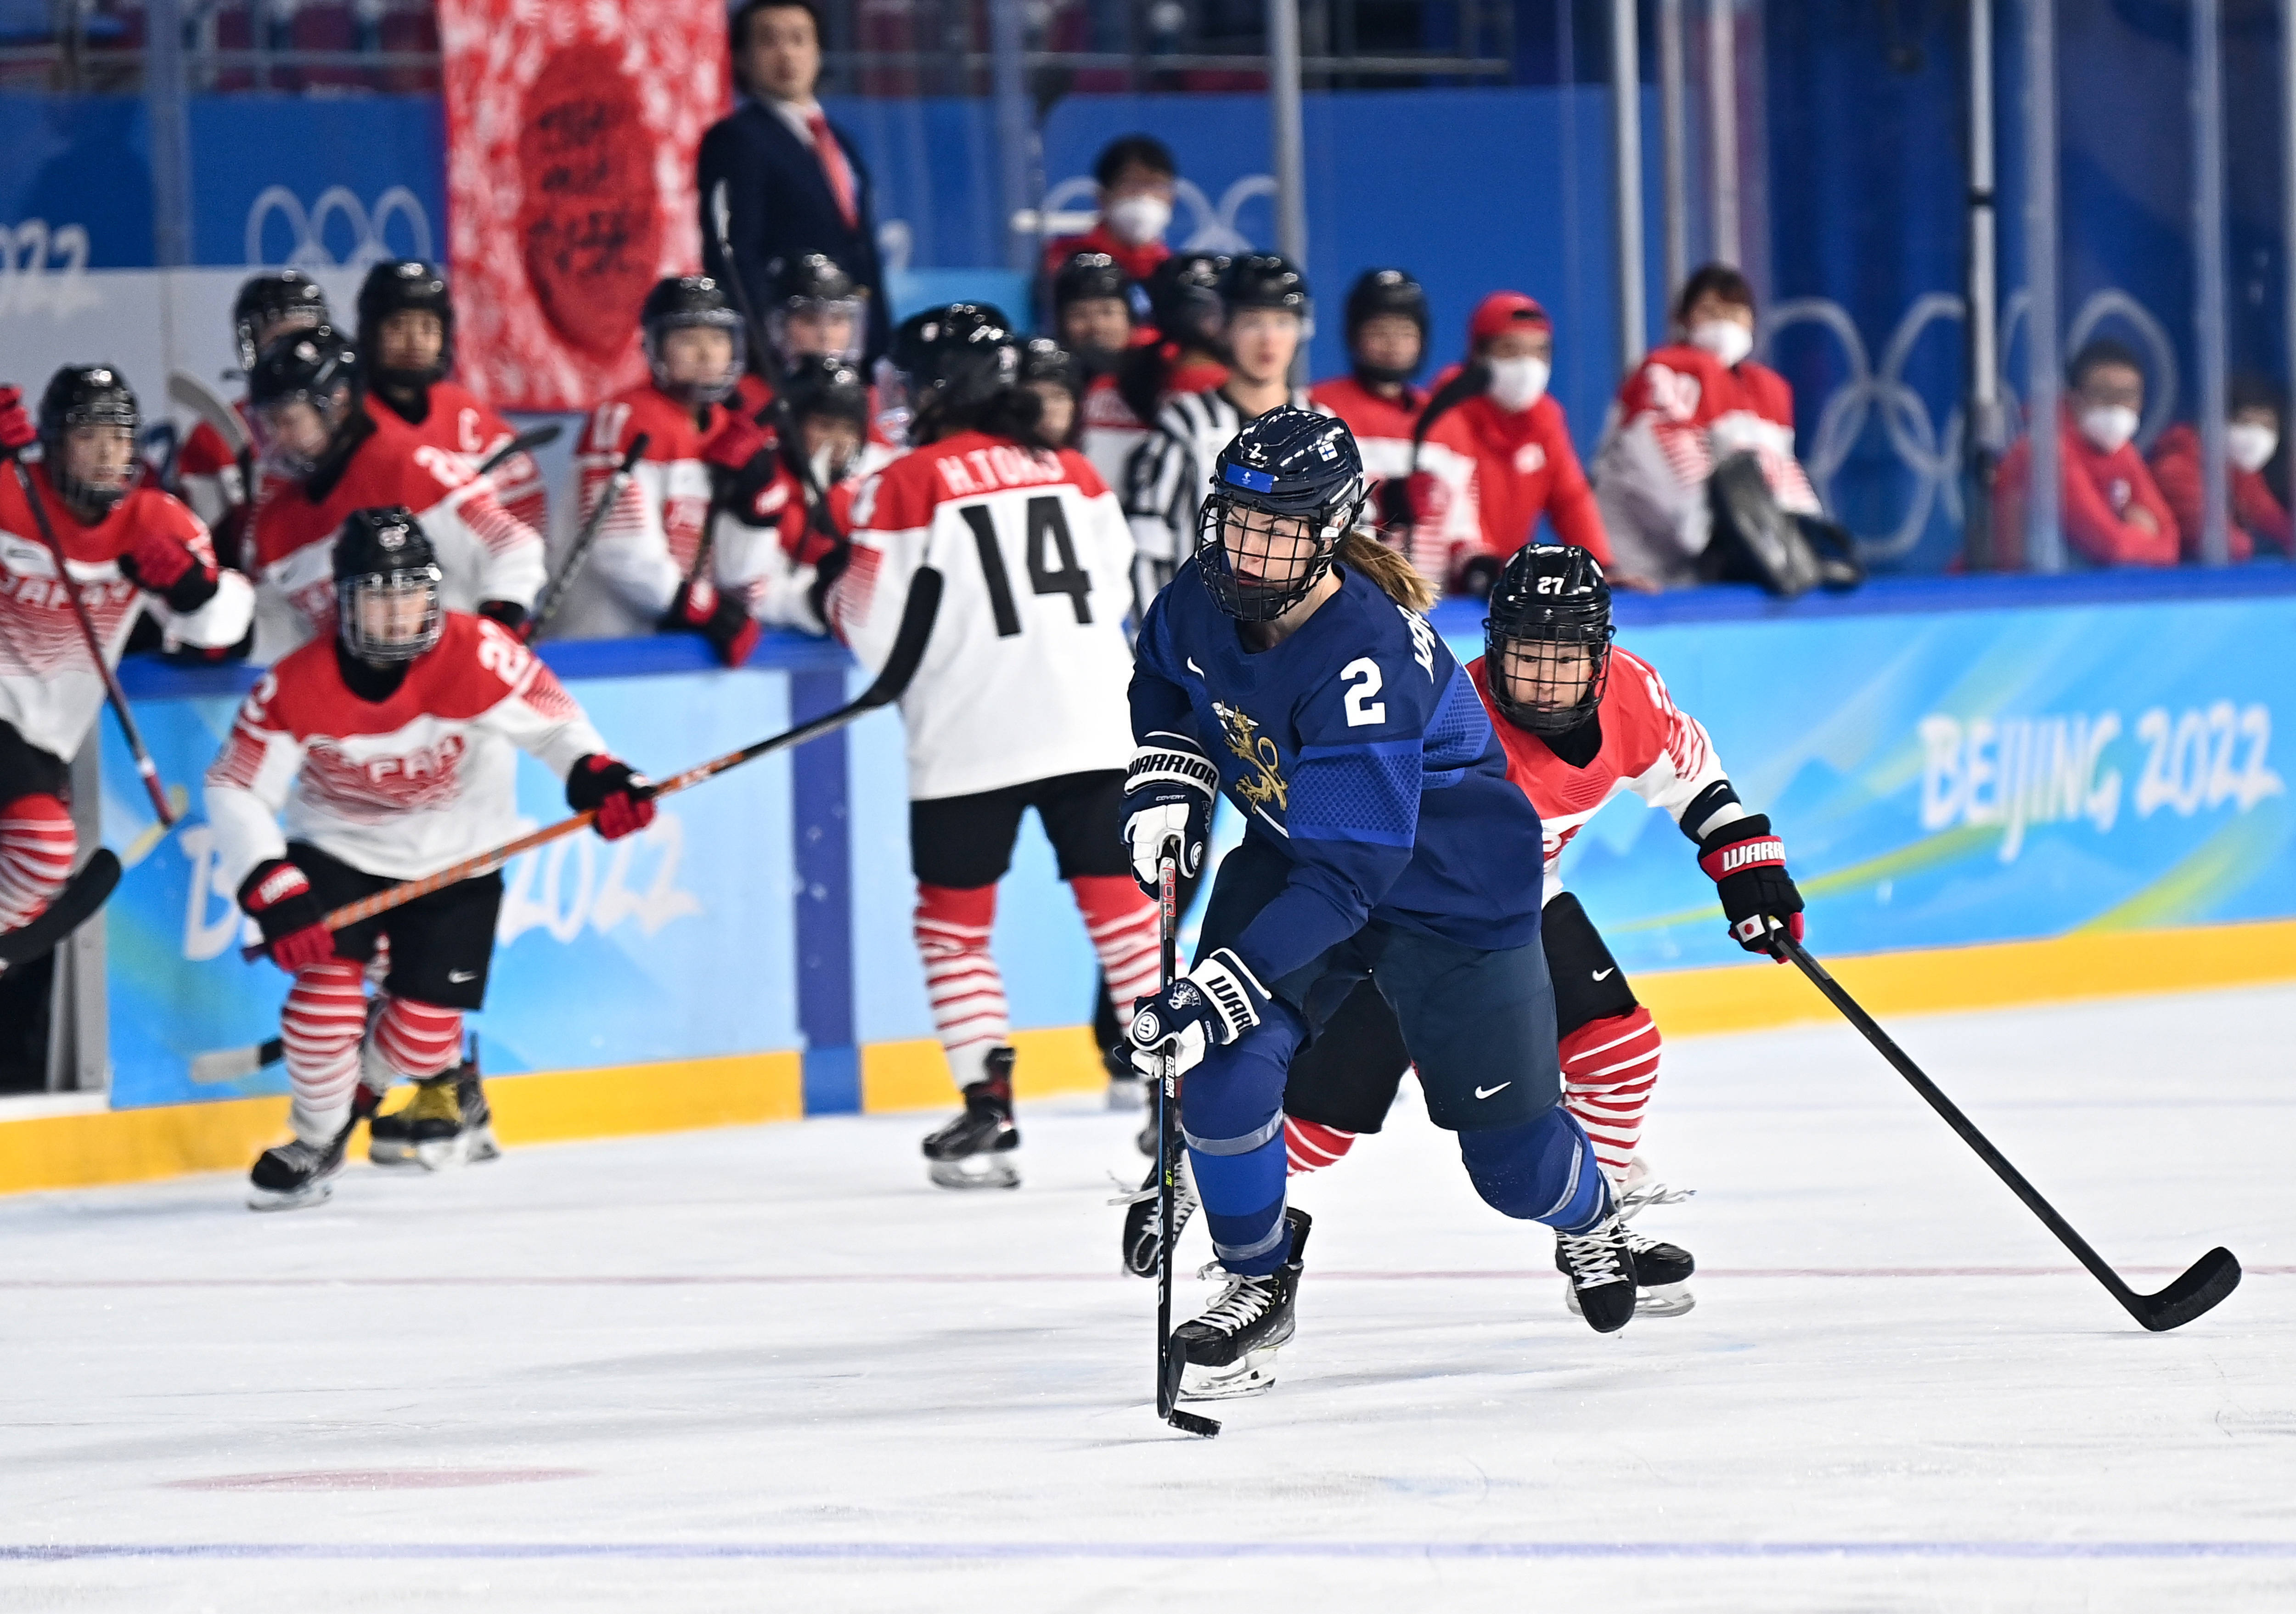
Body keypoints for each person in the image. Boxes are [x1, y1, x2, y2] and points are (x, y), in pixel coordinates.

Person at [1132, 543, 1807, 1321]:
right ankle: (1200, 1166)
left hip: (1505, 906)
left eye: (1566, 658)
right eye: (1526, 657)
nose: (1545, 679)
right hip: (1389, 907)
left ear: (1602, 655)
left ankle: (1598, 1221)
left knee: (1619, 1049)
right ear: (1493, 648)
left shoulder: (1634, 692)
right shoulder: (1444, 707)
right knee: (1317, 1128)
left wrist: (1743, 856)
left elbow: (1691, 772)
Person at [1118, 408, 1642, 1400]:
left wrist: (1223, 979)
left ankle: (1592, 1214)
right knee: (1222, 1071)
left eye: (1278, 531)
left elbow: (1349, 880)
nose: (1248, 549)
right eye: (1238, 521)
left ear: (1329, 534)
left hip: (1446, 894)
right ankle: (1258, 1276)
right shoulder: (1196, 594)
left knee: (1514, 1168)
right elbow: (1165, 679)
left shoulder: (1364, 661)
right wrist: (1170, 763)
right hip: (1300, 856)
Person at [205, 507, 656, 1209]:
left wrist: (598, 774)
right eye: (378, 596)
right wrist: (271, 882)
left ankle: (367, 1089)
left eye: (413, 593)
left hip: (458, 863)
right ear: (343, 601)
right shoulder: (296, 685)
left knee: (421, 1041)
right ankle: (316, 1138)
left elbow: (556, 727)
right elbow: (236, 786)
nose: (398, 613)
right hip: (340, 852)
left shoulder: (478, 653)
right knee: (324, 998)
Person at [826, 305, 1157, 1189]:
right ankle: (1176, 1102)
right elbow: (1115, 587)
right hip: (1093, 722)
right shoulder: (1073, 468)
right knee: (1127, 919)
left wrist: (829, 580)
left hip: (968, 733)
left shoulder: (904, 482)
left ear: (936, 387)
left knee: (953, 927)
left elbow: (870, 627)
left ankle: (988, 1109)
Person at [0, 369, 252, 948]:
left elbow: (226, 636)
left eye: (118, 438)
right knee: (43, 842)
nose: (106, 454)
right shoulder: (9, 493)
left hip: (45, 743)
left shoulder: (158, 522)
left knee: (38, 862)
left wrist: (194, 592)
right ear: (54, 442)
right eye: (88, 436)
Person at [243, 324, 546, 662]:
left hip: (449, 679)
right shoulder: (275, 524)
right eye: (268, 424)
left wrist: (493, 635)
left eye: (287, 421)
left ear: (339, 403)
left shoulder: (410, 467)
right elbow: (286, 635)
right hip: (361, 690)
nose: (277, 438)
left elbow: (513, 546)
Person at [564, 275, 805, 658]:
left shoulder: (734, 431)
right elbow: (618, 551)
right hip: (607, 645)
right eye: (688, 340)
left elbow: (739, 575)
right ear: (655, 347)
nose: (707, 354)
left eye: (718, 339)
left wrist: (752, 514)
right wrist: (699, 606)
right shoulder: (624, 420)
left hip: (691, 649)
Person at [1593, 264, 1827, 589]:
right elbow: (1673, 492)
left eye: (1735, 313)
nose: (1724, 324)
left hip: (1704, 576)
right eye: (1710, 312)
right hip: (1639, 569)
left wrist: (1807, 537)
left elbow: (1777, 475)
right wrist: (1727, 542)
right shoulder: (1662, 373)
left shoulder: (1765, 389)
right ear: (1683, 319)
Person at [699, 0, 891, 364]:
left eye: (799, 39)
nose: (786, 54)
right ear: (741, 58)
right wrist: (763, 347)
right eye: (769, 41)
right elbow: (735, 255)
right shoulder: (737, 139)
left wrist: (879, 342)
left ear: (819, 52)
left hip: (851, 339)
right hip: (789, 347)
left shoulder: (838, 140)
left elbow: (861, 249)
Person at [1382, 288, 1609, 596]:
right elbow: (1457, 513)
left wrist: (1602, 568)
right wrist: (1488, 570)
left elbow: (1571, 500)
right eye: (1511, 350)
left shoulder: (1546, 417)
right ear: (1479, 354)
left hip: (1506, 585)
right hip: (1455, 590)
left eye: (1539, 352)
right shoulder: (1444, 415)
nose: (1528, 365)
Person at [1123, 254, 1309, 618]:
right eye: (1252, 322)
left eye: (1283, 322)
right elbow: (1148, 548)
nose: (1269, 339)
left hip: (1304, 639)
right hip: (1203, 636)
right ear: (1223, 327)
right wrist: (1161, 640)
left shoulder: (1325, 428)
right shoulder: (1186, 426)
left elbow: (1354, 543)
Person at [355, 260, 547, 536]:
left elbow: (524, 509)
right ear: (371, 333)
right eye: (398, 327)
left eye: (428, 328)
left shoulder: (466, 414)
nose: (415, 342)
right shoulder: (348, 418)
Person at [177, 271, 330, 567]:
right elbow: (204, 553)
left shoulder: (356, 418)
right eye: (280, 340)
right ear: (252, 346)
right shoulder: (212, 437)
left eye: (307, 339)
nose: (295, 353)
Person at [1990, 339, 2180, 571]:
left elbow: (2171, 542)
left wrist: (2138, 541)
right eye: (2103, 394)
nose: (2117, 406)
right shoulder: (2044, 452)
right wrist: (2142, 533)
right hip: (2010, 587)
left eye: (2128, 395)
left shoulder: (2123, 451)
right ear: (2074, 398)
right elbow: (2110, 547)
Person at [2147, 375, 2293, 564]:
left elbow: (2272, 520)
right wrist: (2261, 546)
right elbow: (2213, 539)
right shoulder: (2177, 465)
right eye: (2245, 423)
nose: (2257, 437)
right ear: (2213, 422)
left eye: (2267, 426)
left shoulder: (2239, 470)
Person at [1039, 134, 1178, 286]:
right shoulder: (1064, 261)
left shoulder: (1175, 273)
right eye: (1132, 183)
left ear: (1172, 198)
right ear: (1102, 196)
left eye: (1157, 185)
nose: (1145, 195)